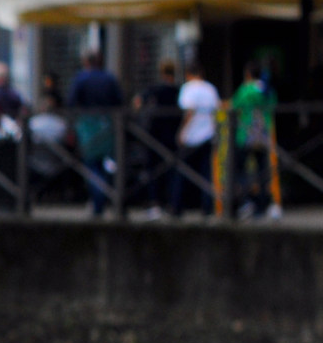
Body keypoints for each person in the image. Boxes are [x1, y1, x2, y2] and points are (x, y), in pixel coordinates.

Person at [66, 47, 125, 217]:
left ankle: (98, 200)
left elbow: (71, 102)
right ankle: (106, 198)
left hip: (88, 126)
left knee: (91, 164)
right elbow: (119, 101)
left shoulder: (81, 78)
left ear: (85, 62)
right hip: (107, 125)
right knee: (105, 163)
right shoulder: (109, 78)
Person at [135, 57, 183, 219]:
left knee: (154, 171)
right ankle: (174, 205)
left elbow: (137, 103)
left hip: (155, 137)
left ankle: (155, 204)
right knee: (172, 170)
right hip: (174, 136)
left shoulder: (154, 90)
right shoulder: (179, 91)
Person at [229, 64, 279, 219]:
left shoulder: (245, 89)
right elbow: (274, 106)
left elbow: (233, 106)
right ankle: (264, 205)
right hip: (263, 135)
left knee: (241, 170)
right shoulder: (268, 90)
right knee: (263, 170)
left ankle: (246, 202)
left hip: (246, 135)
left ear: (248, 74)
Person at [176, 63, 220, 218]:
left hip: (191, 136)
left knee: (182, 172)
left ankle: (178, 207)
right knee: (206, 173)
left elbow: (189, 111)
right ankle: (207, 208)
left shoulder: (188, 88)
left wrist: (181, 132)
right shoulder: (210, 89)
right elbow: (216, 113)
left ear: (189, 74)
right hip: (208, 134)